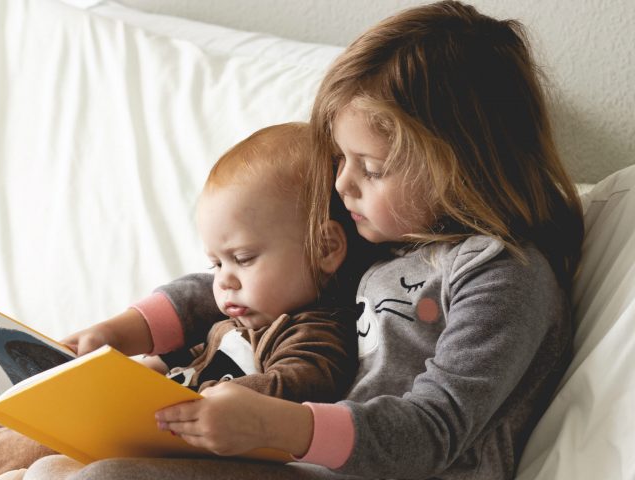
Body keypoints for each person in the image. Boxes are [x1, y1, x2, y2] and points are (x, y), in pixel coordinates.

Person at [59, 1, 584, 479]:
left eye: (371, 168)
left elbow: (434, 430)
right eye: (341, 160)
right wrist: (126, 330)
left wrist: (277, 427)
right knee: (55, 470)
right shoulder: (381, 242)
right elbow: (256, 281)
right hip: (305, 460)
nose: (341, 185)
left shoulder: (505, 275)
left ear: (462, 164)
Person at [0, 122, 359, 479]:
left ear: (324, 249)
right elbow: (185, 320)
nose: (223, 282)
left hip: (184, 438)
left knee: (45, 439)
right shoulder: (244, 317)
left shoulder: (316, 329)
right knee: (41, 405)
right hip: (165, 415)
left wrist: (204, 400)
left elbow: (300, 385)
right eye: (216, 264)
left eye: (242, 259)